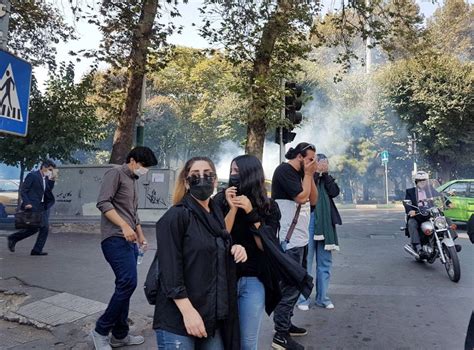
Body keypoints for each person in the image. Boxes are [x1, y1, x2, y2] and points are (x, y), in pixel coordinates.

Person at [153, 156, 247, 350]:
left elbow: (212, 248)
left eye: (207, 175)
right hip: (178, 318)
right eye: (195, 175)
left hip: (210, 316)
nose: (202, 179)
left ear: (215, 181)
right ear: (186, 182)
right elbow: (170, 271)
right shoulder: (175, 216)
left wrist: (234, 248)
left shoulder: (215, 214)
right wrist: (188, 312)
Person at [90, 146, 158, 350]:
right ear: (133, 160)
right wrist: (123, 226)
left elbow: (132, 213)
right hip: (114, 238)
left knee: (124, 284)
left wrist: (140, 235)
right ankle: (100, 331)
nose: (145, 170)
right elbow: (103, 203)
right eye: (144, 165)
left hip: (129, 240)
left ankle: (119, 335)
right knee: (128, 282)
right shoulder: (115, 173)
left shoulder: (133, 181)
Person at [213, 155, 283, 350]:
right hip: (224, 277)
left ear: (250, 174)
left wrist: (252, 213)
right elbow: (221, 235)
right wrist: (233, 208)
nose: (233, 175)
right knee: (221, 339)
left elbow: (265, 246)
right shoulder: (220, 200)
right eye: (231, 171)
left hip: (254, 278)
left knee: (247, 342)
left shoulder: (268, 206)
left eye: (237, 171)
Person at [271, 142, 318, 350]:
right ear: (299, 157)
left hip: (300, 239)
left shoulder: (303, 174)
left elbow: (313, 201)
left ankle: (286, 324)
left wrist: (311, 175)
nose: (312, 163)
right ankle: (280, 335)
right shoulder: (284, 171)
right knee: (289, 288)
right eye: (309, 159)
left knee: (296, 285)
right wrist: (307, 176)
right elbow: (301, 197)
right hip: (288, 241)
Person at [297, 154, 342, 311]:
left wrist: (326, 175)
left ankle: (323, 298)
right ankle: (303, 299)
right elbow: (306, 193)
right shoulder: (307, 177)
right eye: (320, 163)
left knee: (325, 262)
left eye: (325, 163)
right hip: (308, 220)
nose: (323, 166)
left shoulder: (327, 179)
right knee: (306, 262)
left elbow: (334, 192)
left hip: (326, 224)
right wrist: (315, 173)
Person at [7, 160, 57, 255]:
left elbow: (48, 190)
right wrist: (27, 202)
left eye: (52, 170)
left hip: (43, 206)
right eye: (50, 169)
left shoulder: (46, 178)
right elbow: (24, 190)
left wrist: (52, 180)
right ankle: (14, 237)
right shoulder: (33, 175)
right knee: (34, 228)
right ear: (44, 167)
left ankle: (36, 250)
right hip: (33, 205)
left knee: (44, 228)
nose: (51, 172)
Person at [404, 171, 456, 254]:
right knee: (412, 223)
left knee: (446, 220)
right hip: (418, 215)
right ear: (416, 181)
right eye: (420, 180)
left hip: (431, 214)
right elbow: (407, 203)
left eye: (424, 180)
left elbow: (440, 196)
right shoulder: (410, 191)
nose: (422, 182)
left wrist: (448, 203)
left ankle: (452, 244)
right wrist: (410, 210)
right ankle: (418, 248)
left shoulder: (430, 190)